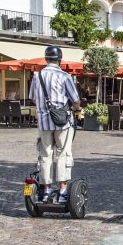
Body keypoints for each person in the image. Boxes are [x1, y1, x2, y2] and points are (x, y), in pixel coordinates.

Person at [28, 45, 82, 203]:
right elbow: (76, 99)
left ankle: (46, 190)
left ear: (46, 59)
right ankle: (63, 191)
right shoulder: (64, 76)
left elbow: (32, 97)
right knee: (63, 153)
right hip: (62, 122)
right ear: (60, 60)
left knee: (45, 155)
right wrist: (76, 108)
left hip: (44, 122)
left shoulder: (37, 77)